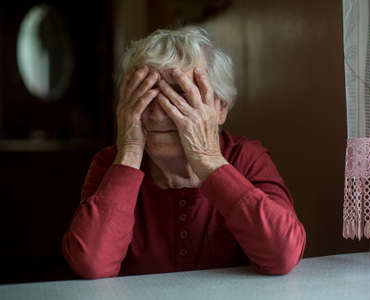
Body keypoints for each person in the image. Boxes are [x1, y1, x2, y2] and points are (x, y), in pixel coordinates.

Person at [62, 26, 306, 279]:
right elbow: (91, 264)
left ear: (220, 107)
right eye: (145, 93)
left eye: (179, 92)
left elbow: (282, 255)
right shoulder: (109, 163)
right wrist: (130, 152)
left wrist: (208, 160)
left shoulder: (245, 158)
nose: (157, 115)